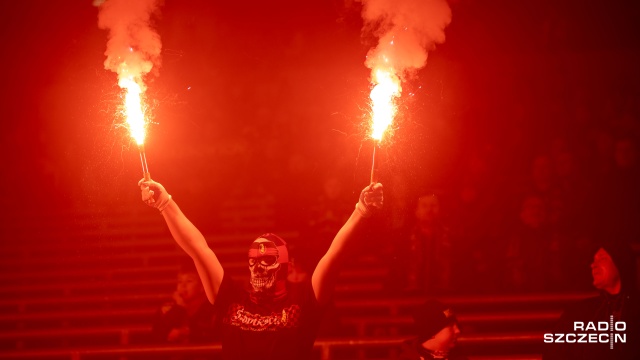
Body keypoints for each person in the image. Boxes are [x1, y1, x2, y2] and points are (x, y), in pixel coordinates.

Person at [139, 178, 383, 359]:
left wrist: (360, 211)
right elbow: (197, 248)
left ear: (286, 266)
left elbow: (335, 254)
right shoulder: (232, 298)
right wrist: (164, 202)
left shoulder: (303, 299)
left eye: (268, 260)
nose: (258, 267)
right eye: (253, 260)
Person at [543, 240, 639, 360]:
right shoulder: (577, 313)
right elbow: (553, 354)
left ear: (621, 263)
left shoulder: (635, 311)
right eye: (594, 260)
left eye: (602, 259)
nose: (593, 265)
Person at [151, 259, 220, 345]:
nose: (182, 286)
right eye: (180, 281)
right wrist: (178, 309)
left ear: (202, 286)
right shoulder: (166, 309)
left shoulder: (213, 311)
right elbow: (156, 336)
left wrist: (187, 333)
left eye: (189, 281)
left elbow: (213, 338)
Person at [399, 299, 466, 360]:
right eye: (451, 326)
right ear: (431, 333)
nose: (458, 331)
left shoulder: (459, 357)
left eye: (456, 325)